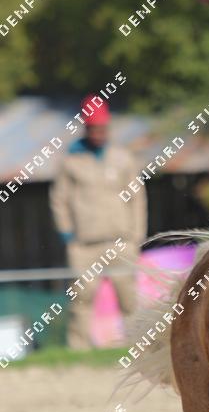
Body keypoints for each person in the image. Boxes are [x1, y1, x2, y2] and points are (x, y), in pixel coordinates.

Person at [50, 94, 146, 349]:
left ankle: (135, 347)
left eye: (103, 128)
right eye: (94, 128)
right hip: (84, 245)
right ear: (86, 128)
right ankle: (79, 351)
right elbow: (59, 199)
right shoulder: (71, 160)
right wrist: (68, 234)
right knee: (81, 300)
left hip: (121, 242)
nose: (99, 133)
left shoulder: (122, 157)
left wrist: (136, 235)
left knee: (129, 299)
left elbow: (137, 198)